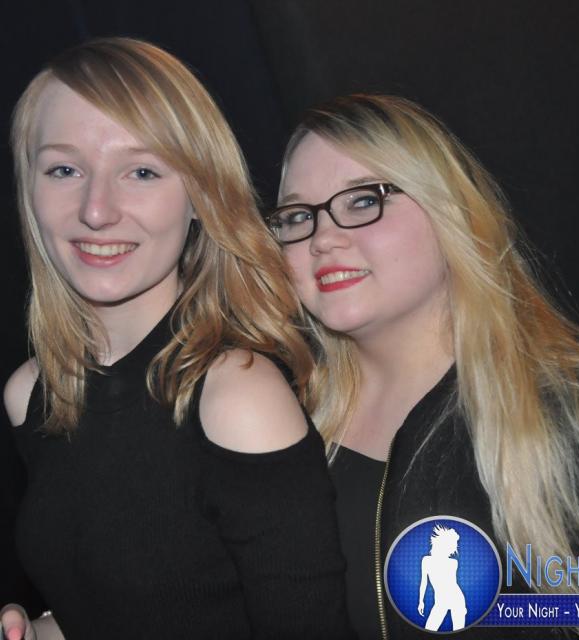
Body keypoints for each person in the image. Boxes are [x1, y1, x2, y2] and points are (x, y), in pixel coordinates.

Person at [1, 38, 353, 640]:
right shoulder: (32, 393)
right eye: (64, 169)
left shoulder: (235, 397)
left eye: (141, 171)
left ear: (199, 196)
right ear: (29, 191)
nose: (96, 210)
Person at [267, 94, 579, 639]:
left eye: (363, 200)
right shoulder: (280, 427)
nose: (323, 238)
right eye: (299, 216)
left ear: (450, 212)